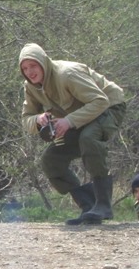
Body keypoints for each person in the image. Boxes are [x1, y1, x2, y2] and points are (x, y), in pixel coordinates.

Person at [19, 43, 127, 226]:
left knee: (88, 139)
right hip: (80, 119)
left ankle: (103, 204)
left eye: (33, 65)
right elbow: (26, 120)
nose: (30, 72)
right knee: (50, 159)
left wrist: (68, 121)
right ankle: (88, 205)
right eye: (25, 68)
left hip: (109, 108)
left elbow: (101, 101)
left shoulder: (67, 74)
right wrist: (39, 119)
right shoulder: (30, 87)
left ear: (43, 62)